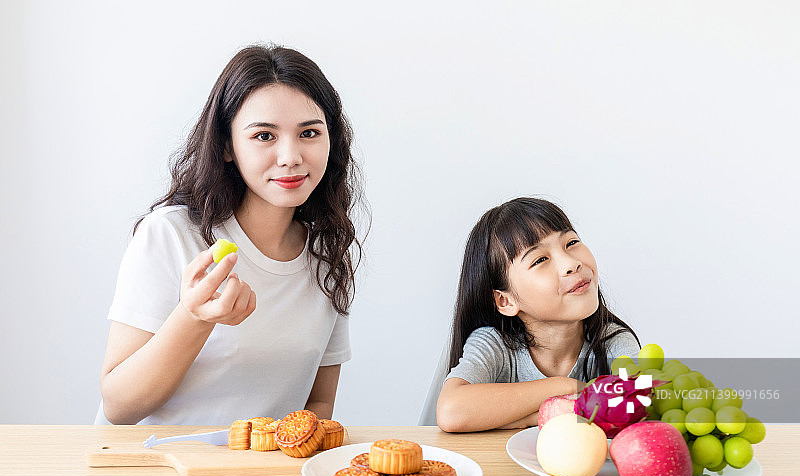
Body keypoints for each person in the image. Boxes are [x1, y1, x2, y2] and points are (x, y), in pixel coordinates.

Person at [95, 44, 366, 425]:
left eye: (309, 133)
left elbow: (318, 404)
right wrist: (195, 317)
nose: (290, 156)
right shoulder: (172, 235)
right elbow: (119, 408)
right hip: (154, 471)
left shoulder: (328, 254)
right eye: (264, 136)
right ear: (227, 145)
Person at [424, 197, 639, 431]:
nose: (571, 263)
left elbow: (639, 409)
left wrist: (535, 415)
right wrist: (564, 388)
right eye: (540, 259)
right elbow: (451, 411)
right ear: (506, 301)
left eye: (571, 242)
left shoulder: (613, 342)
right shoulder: (494, 345)